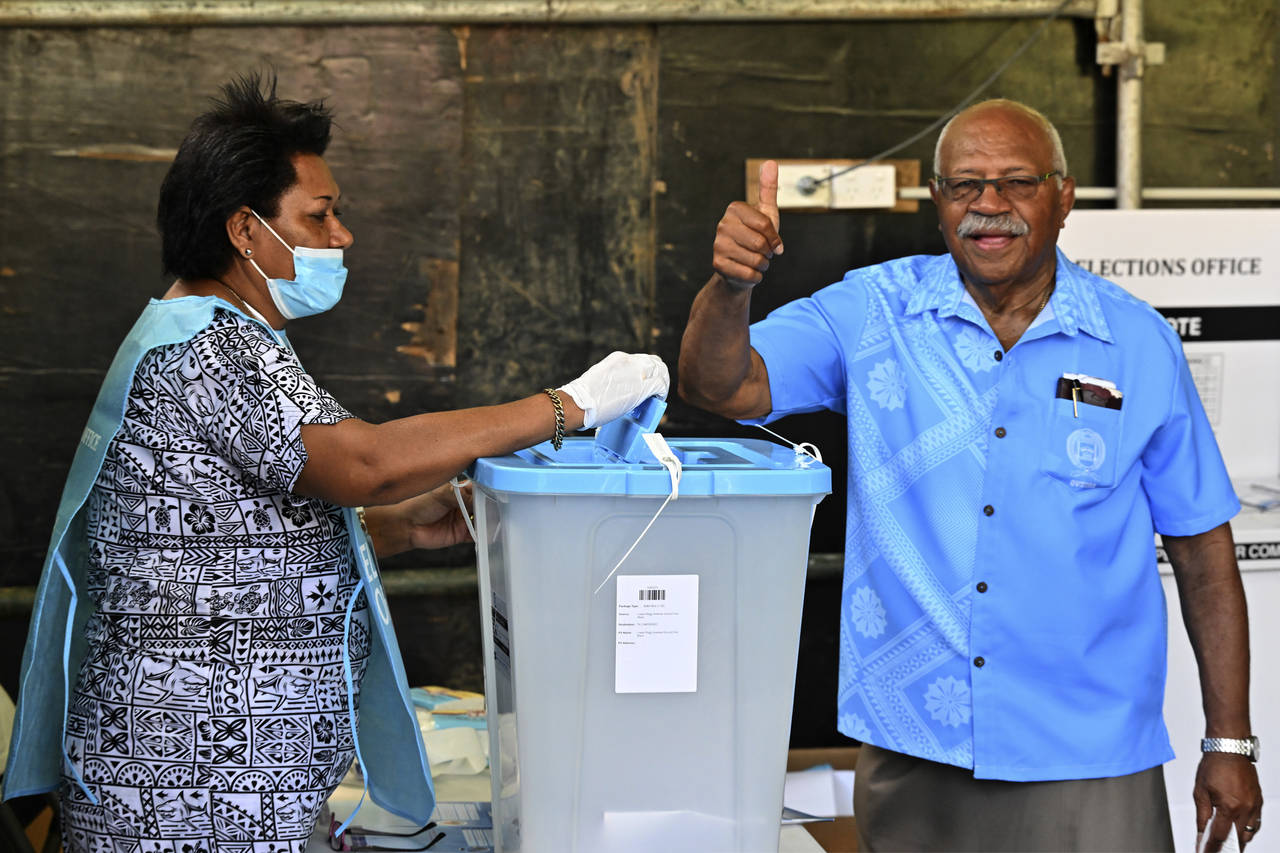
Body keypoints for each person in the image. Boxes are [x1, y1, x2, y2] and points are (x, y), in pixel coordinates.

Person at [2, 72, 668, 852]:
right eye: (319, 215)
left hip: (220, 790)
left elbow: (215, 539)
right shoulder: (210, 347)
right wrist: (570, 405)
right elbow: (364, 462)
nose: (341, 235)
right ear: (245, 231)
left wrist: (389, 531)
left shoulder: (215, 334)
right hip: (187, 801)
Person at [678, 98, 1261, 852]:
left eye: (1017, 182)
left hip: (1088, 750)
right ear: (937, 201)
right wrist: (730, 286)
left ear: (1064, 197)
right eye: (964, 185)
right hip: (918, 737)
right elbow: (719, 385)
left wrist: (1229, 741)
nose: (990, 205)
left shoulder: (1137, 342)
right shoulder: (872, 312)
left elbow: (1204, 554)